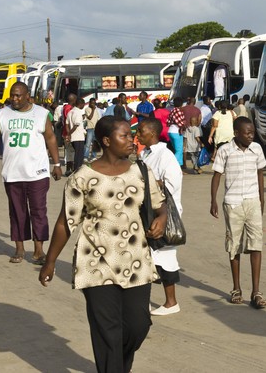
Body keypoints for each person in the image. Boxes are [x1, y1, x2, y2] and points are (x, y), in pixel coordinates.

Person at [39, 116, 167, 373]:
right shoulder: (82, 177)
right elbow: (66, 222)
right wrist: (50, 261)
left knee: (138, 325)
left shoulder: (140, 171)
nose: (132, 140)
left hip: (136, 260)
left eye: (131, 136)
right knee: (108, 332)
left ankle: (117, 366)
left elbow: (159, 203)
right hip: (95, 263)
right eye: (125, 136)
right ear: (107, 141)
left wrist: (162, 218)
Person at [0, 83, 63, 264]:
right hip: (13, 173)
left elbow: (50, 138)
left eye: (18, 96)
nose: (14, 99)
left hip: (37, 173)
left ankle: (39, 251)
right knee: (17, 212)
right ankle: (19, 249)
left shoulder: (41, 113)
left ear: (27, 96)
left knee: (39, 211)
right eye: (12, 95)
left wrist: (56, 164)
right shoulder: (2, 114)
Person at [210, 116, 266, 309]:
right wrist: (214, 200)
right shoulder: (225, 151)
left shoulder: (257, 149)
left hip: (252, 201)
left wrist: (262, 199)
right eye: (247, 132)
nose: (251, 136)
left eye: (253, 132)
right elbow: (217, 176)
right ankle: (236, 288)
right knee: (234, 246)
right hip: (233, 203)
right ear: (236, 133)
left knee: (256, 245)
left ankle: (256, 292)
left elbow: (260, 175)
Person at [137, 117, 184, 316]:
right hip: (146, 213)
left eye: (141, 132)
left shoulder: (165, 156)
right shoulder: (143, 153)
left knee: (165, 258)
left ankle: (171, 302)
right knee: (147, 258)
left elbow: (172, 185)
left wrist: (150, 183)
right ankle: (144, 302)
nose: (137, 135)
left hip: (163, 213)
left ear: (153, 134)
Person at [166, 97, 188, 169]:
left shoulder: (172, 111)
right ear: (181, 104)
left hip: (171, 131)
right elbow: (180, 123)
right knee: (179, 150)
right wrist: (184, 126)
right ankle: (170, 165)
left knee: (177, 150)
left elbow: (168, 122)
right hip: (176, 132)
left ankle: (178, 167)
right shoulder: (178, 111)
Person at [66, 98, 87, 173]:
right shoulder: (77, 112)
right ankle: (77, 170)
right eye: (83, 104)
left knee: (76, 154)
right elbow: (76, 125)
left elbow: (67, 124)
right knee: (79, 155)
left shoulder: (70, 112)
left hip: (73, 137)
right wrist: (69, 133)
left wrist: (69, 134)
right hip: (78, 136)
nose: (83, 106)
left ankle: (76, 169)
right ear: (80, 104)